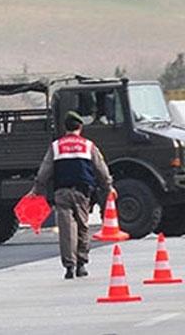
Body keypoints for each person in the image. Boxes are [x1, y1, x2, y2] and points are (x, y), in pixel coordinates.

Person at [30, 111, 116, 279]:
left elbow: (44, 171)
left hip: (61, 192)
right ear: (80, 127)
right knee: (83, 227)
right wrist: (109, 187)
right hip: (82, 193)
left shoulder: (56, 146)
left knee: (66, 230)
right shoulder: (88, 145)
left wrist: (37, 190)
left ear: (65, 128)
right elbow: (101, 169)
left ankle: (69, 266)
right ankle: (81, 264)